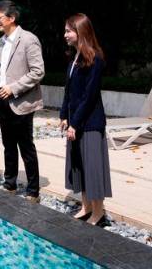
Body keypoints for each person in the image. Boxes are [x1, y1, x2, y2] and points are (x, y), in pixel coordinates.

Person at [60, 13, 112, 226]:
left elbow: (89, 96)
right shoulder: (74, 57)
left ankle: (98, 213)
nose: (65, 35)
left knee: (92, 168)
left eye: (68, 31)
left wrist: (75, 123)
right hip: (75, 121)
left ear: (80, 32)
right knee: (79, 165)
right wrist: (64, 115)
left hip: (90, 124)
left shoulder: (95, 58)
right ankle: (85, 206)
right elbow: (69, 91)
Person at [0, 0, 45, 202]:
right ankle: (10, 184)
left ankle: (33, 191)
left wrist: (13, 88)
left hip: (21, 102)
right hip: (2, 101)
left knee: (26, 146)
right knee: (8, 145)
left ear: (11, 18)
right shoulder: (1, 42)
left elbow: (38, 71)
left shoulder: (28, 40)